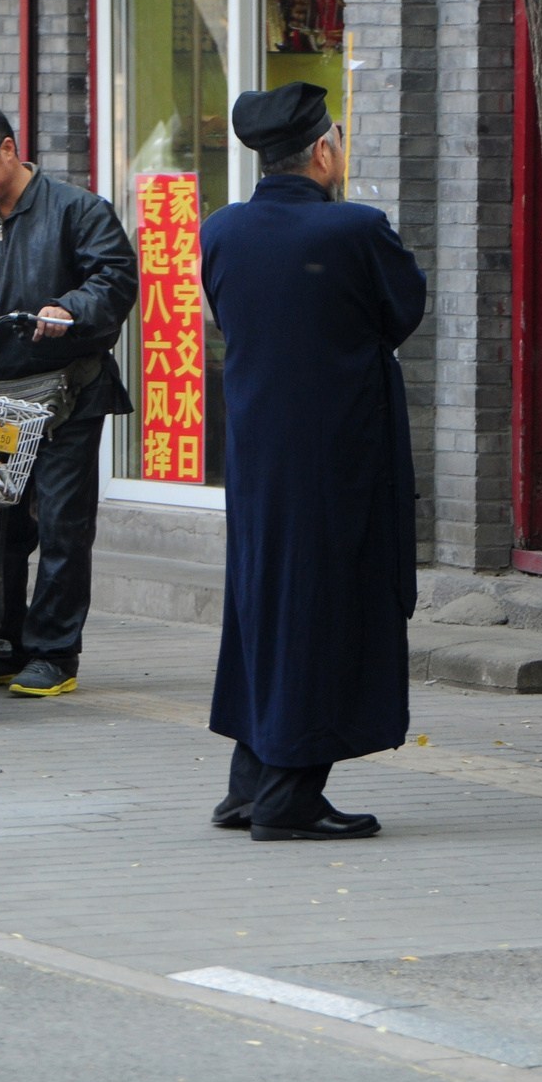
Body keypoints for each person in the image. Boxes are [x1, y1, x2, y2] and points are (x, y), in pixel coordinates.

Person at [202, 82, 426, 841]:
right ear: (323, 150)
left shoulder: (222, 230)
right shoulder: (354, 230)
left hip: (259, 451)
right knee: (325, 607)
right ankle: (289, 793)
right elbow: (404, 310)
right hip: (340, 449)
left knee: (264, 598)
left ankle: (250, 779)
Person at [0, 104, 137, 698]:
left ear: (8, 150)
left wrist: (71, 308)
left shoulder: (77, 209)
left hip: (68, 392)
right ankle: (2, 642)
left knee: (62, 524)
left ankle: (54, 653)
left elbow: (114, 279)